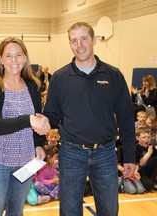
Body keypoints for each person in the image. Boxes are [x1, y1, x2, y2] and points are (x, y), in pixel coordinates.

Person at [43, 22, 136, 216]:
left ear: (94, 40)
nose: (79, 45)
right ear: (70, 44)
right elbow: (52, 115)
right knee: (69, 211)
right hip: (71, 153)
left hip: (106, 153)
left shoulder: (113, 75)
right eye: (74, 41)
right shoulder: (60, 77)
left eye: (84, 39)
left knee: (109, 210)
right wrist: (37, 122)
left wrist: (129, 156)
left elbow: (126, 118)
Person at [0, 37, 50, 216]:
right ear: (1, 59)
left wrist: (39, 143)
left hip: (26, 161)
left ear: (25, 57)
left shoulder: (33, 86)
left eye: (18, 55)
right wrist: (28, 120)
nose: (14, 60)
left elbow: (38, 118)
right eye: (8, 56)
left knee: (16, 212)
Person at [135, 126, 157, 191]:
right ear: (137, 138)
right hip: (140, 172)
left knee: (155, 160)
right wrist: (148, 153)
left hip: (151, 173)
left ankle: (153, 181)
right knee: (149, 186)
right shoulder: (136, 148)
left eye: (148, 137)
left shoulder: (151, 146)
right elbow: (140, 164)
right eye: (144, 137)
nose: (146, 139)